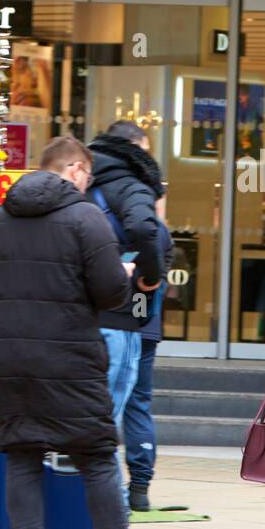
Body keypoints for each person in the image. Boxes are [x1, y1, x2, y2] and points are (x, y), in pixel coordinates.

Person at [0, 135, 176, 529]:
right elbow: (110, 293)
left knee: (22, 455)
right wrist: (125, 278)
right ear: (78, 172)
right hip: (69, 356)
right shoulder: (85, 218)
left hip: (8, 358)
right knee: (97, 455)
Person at [88, 121, 168, 433]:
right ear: (133, 149)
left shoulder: (80, 180)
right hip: (119, 317)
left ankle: (69, 479)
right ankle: (99, 481)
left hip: (76, 318)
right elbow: (144, 230)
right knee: (105, 422)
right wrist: (151, 275)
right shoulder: (134, 185)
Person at [120, 190, 171, 512]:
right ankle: (140, 485)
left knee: (106, 402)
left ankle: (102, 485)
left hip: (117, 325)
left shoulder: (111, 221)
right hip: (146, 326)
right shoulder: (161, 231)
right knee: (138, 403)